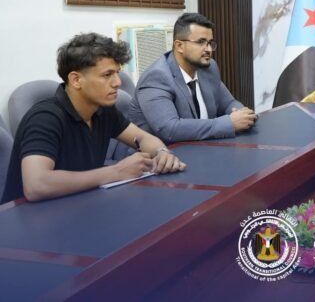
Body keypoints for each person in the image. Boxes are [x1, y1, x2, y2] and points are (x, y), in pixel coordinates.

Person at [1, 33, 185, 204]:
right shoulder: (45, 118)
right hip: (28, 217)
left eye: (117, 73)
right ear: (76, 80)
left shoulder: (103, 110)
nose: (118, 82)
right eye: (107, 75)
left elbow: (143, 138)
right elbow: (37, 185)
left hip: (79, 204)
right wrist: (117, 171)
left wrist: (162, 153)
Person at [127, 13, 256, 143]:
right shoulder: (157, 77)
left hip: (201, 148)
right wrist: (229, 123)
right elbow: (169, 129)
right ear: (179, 46)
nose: (209, 49)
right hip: (159, 153)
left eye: (210, 43)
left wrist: (242, 114)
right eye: (201, 42)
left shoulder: (208, 68)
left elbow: (228, 103)